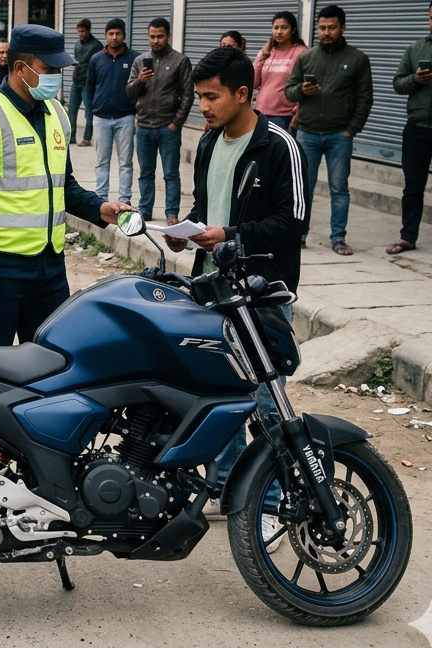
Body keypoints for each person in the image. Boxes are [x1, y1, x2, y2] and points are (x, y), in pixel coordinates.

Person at [170, 47, 308, 552]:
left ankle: (272, 503)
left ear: (243, 94)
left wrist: (232, 236)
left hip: (260, 294)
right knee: (219, 397)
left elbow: (292, 225)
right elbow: (207, 207)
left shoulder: (279, 147)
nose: (202, 107)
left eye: (211, 97)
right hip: (212, 292)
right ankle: (227, 483)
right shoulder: (208, 144)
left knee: (269, 405)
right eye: (198, 97)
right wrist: (186, 231)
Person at [0, 24, 131, 347]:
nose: (55, 77)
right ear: (20, 68)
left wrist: (99, 208)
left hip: (50, 270)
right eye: (48, 69)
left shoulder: (57, 114)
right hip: (1, 271)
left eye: (58, 70)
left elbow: (64, 187)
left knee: (53, 368)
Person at [285, 4, 373, 256]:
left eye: (332, 27)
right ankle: (300, 234)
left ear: (343, 28)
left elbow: (365, 98)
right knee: (303, 188)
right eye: (322, 27)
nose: (326, 32)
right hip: (307, 133)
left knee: (339, 189)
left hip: (339, 136)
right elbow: (289, 91)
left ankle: (338, 238)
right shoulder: (306, 57)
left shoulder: (357, 59)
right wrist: (302, 90)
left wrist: (350, 130)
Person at [125, 18, 192, 223]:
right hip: (144, 127)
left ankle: (171, 213)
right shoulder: (140, 61)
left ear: (168, 36)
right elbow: (129, 92)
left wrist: (176, 124)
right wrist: (140, 81)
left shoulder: (180, 61)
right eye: (152, 36)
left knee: (171, 174)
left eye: (160, 36)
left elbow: (188, 95)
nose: (155, 40)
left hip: (167, 127)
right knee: (146, 173)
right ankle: (145, 210)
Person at [389, 3, 432, 256]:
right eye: (430, 18)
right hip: (417, 128)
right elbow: (397, 83)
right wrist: (415, 80)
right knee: (413, 186)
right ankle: (408, 237)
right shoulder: (416, 49)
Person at [86, 18, 138, 205]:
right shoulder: (96, 59)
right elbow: (89, 87)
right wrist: (91, 111)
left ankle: (125, 199)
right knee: (102, 161)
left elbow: (140, 87)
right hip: (101, 117)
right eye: (110, 34)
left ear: (124, 35)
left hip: (125, 117)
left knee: (125, 163)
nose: (114, 37)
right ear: (105, 36)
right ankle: (101, 198)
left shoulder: (134, 59)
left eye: (117, 33)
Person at [253, 12, 307, 136]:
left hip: (285, 116)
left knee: (280, 154)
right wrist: (261, 57)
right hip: (261, 113)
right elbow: (254, 82)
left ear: (293, 30)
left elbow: (305, 86)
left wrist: (297, 112)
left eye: (284, 28)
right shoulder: (267, 51)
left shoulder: (301, 53)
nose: (279, 32)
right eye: (275, 28)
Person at [69, 18, 102, 147]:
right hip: (76, 81)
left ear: (88, 30)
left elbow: (99, 65)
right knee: (71, 111)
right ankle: (71, 137)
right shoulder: (77, 44)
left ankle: (87, 138)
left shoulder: (96, 45)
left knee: (89, 112)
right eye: (78, 31)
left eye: (83, 31)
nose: (80, 34)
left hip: (88, 83)